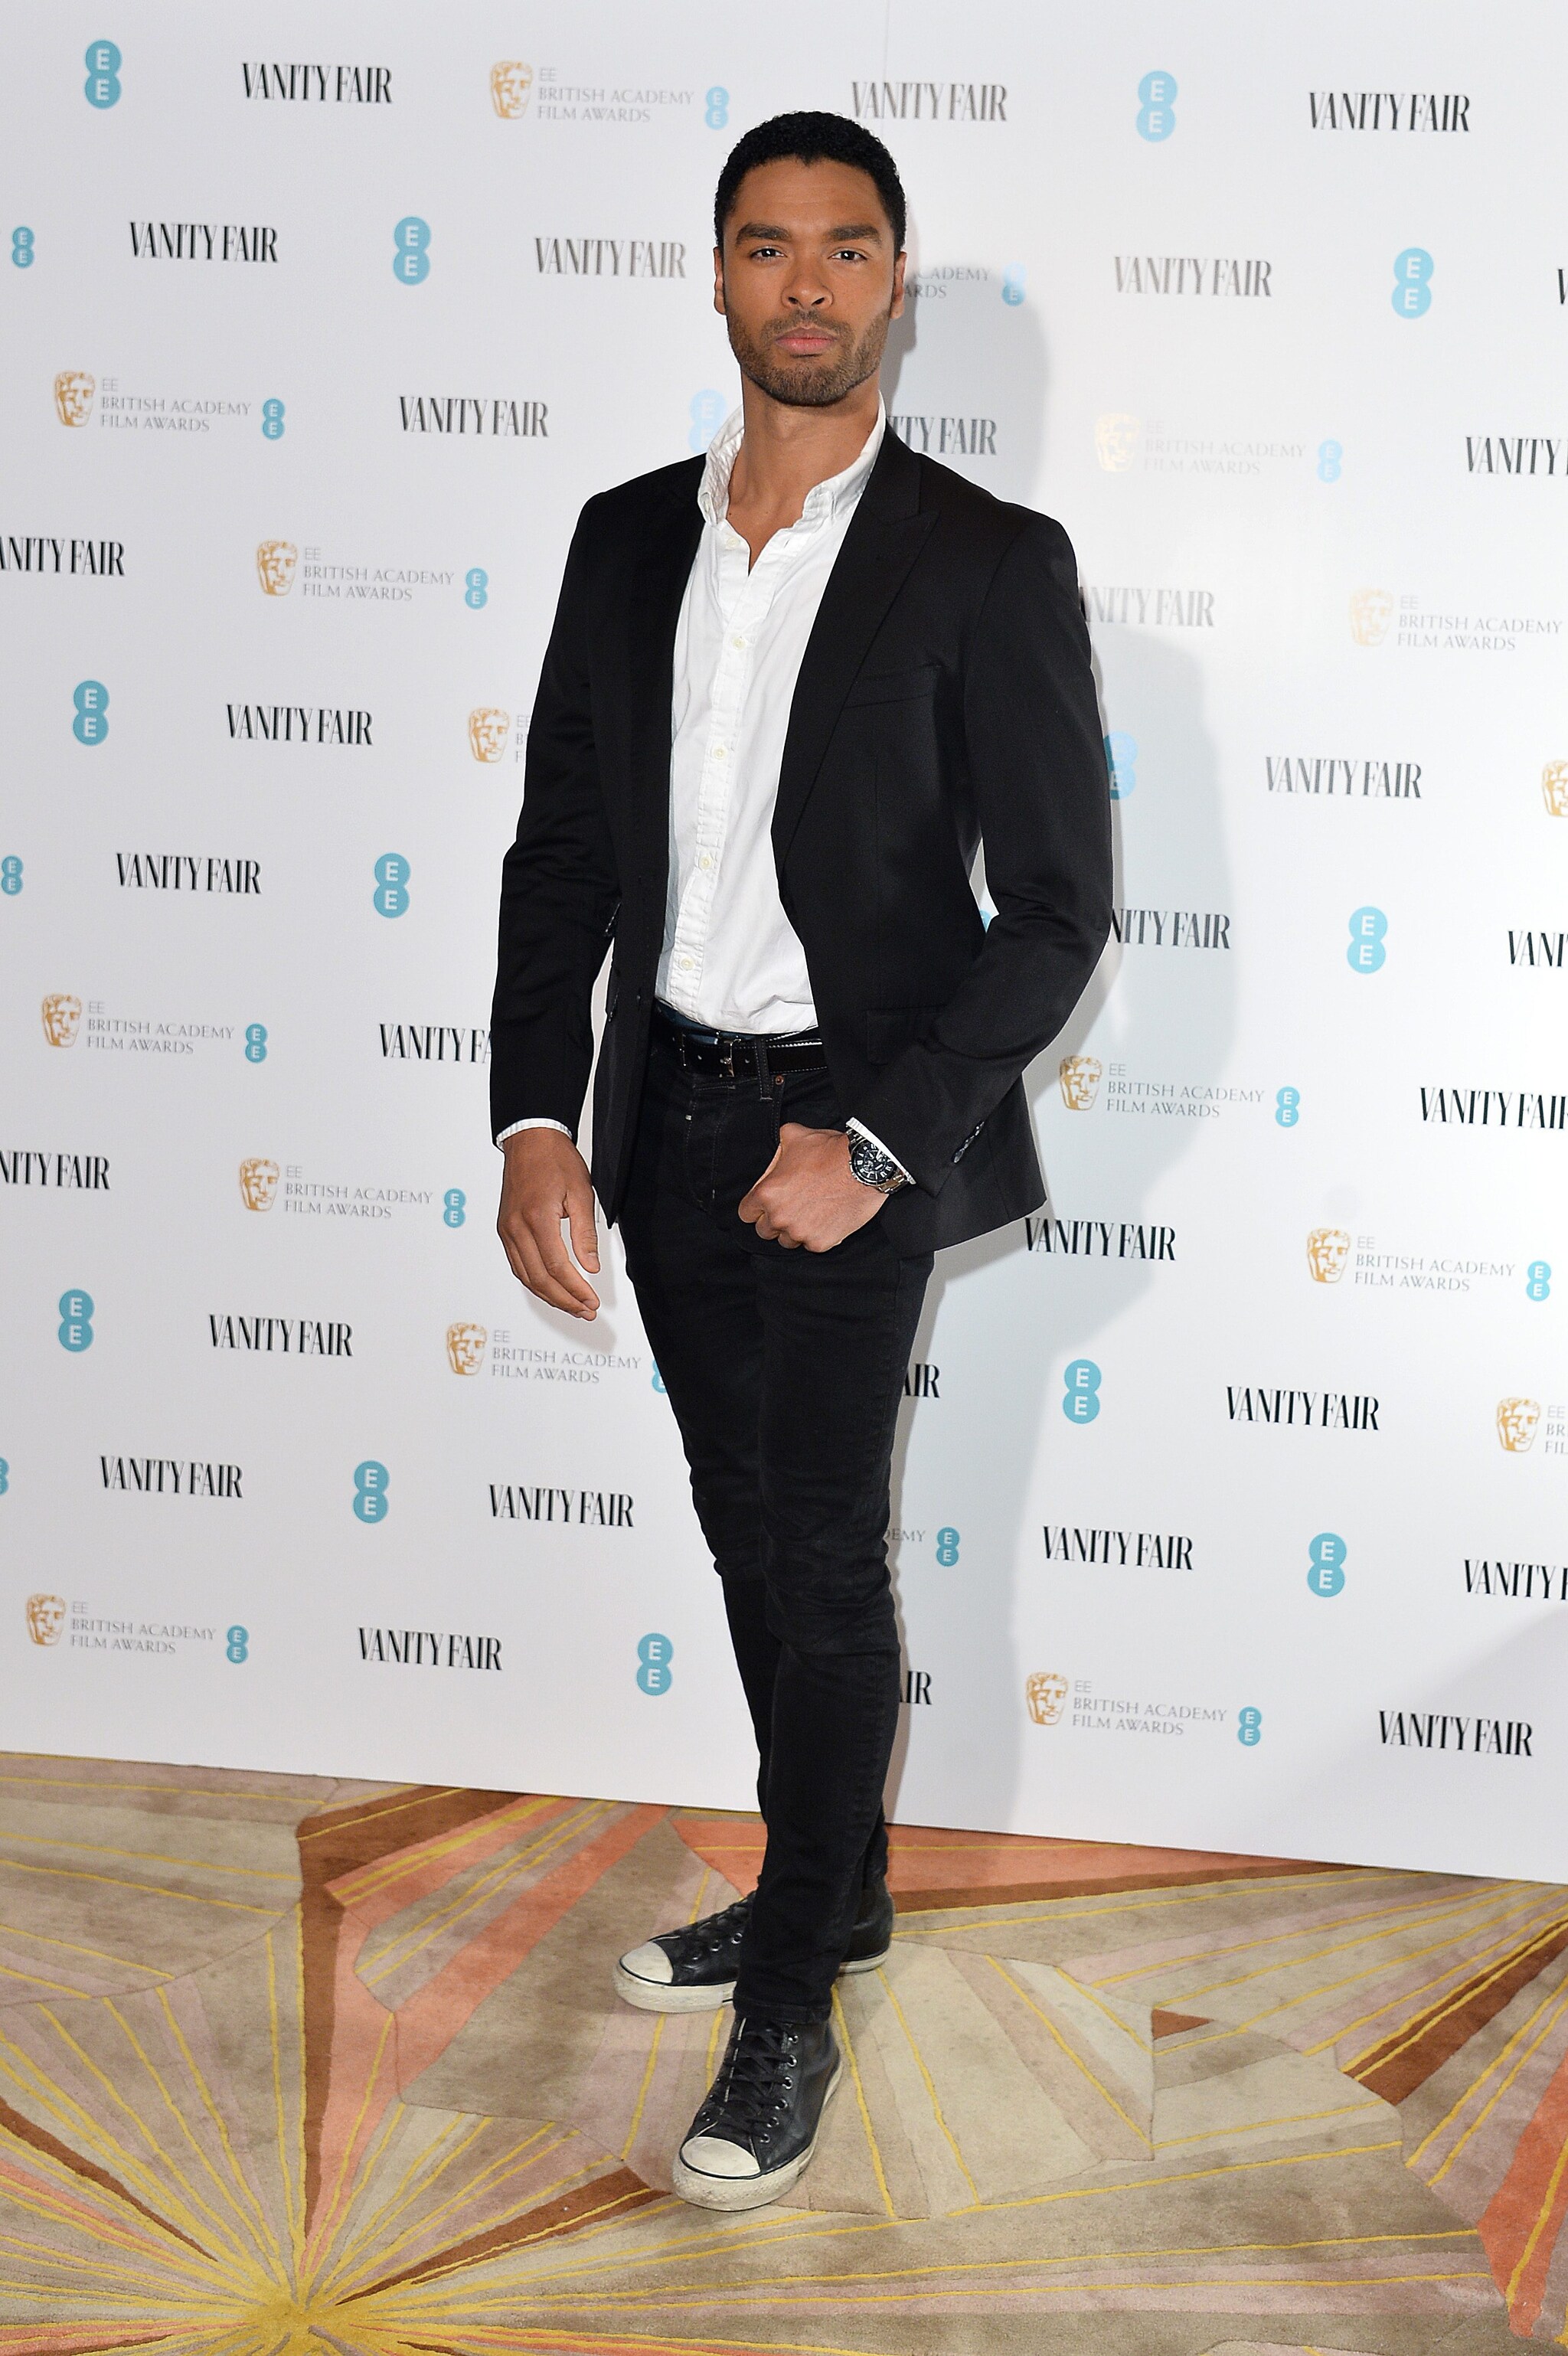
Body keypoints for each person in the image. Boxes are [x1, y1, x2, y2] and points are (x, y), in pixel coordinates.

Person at [490, 110, 1112, 2211]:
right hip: (662, 1110)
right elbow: (560, 853)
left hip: (856, 1124)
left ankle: (789, 2004)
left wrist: (879, 1143)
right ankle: (826, 1894)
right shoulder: (619, 542)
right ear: (720, 276)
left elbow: (1056, 911)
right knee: (749, 1532)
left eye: (851, 247)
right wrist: (535, 1113)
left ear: (896, 283)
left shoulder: (987, 559)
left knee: (826, 1551)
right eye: (772, 245)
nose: (811, 283)